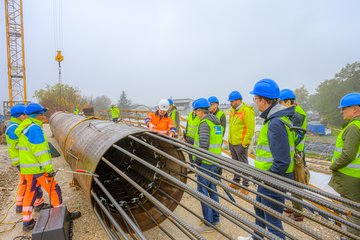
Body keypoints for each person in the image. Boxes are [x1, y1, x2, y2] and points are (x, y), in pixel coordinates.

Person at [239, 79, 296, 240]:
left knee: (272, 221)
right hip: (267, 177)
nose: (255, 102)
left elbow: (282, 161)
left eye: (256, 99)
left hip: (273, 179)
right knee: (259, 209)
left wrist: (268, 178)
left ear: (264, 101)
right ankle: (257, 237)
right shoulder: (275, 119)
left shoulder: (276, 123)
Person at [18, 103, 63, 231]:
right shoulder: (35, 129)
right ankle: (59, 218)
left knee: (30, 193)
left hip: (28, 168)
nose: (43, 116)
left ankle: (27, 222)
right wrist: (48, 169)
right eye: (42, 114)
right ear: (37, 115)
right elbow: (41, 152)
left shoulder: (25, 127)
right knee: (54, 189)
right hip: (38, 169)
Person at [5, 105, 46, 214]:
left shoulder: (15, 125)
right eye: (24, 114)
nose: (26, 116)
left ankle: (19, 205)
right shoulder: (14, 128)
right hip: (23, 160)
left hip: (20, 160)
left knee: (24, 182)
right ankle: (38, 204)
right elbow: (20, 144)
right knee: (33, 183)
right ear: (19, 116)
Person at [329, 92, 360, 237]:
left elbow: (348, 154)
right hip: (355, 177)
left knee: (352, 212)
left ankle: (351, 237)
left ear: (355, 109)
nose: (342, 111)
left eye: (344, 108)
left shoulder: (354, 127)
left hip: (350, 178)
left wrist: (333, 166)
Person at [193, 98, 223, 233]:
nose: (195, 114)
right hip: (215, 161)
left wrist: (197, 161)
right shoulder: (216, 123)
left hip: (205, 163)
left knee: (203, 192)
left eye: (196, 111)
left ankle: (208, 223)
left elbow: (203, 146)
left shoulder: (205, 123)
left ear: (200, 111)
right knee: (212, 190)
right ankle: (215, 219)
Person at [279, 88, 307, 221]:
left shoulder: (297, 114)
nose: (280, 105)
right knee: (290, 181)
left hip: (297, 154)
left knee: (296, 182)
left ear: (289, 101)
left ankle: (298, 213)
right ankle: (293, 205)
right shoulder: (294, 112)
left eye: (281, 102)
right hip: (294, 151)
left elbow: (295, 135)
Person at [227, 90, 255, 195]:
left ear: (238, 101)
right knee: (235, 163)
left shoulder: (247, 111)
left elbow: (250, 129)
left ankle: (246, 186)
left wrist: (244, 144)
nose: (231, 103)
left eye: (232, 101)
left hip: (240, 144)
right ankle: (236, 181)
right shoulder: (232, 110)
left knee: (244, 165)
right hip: (232, 142)